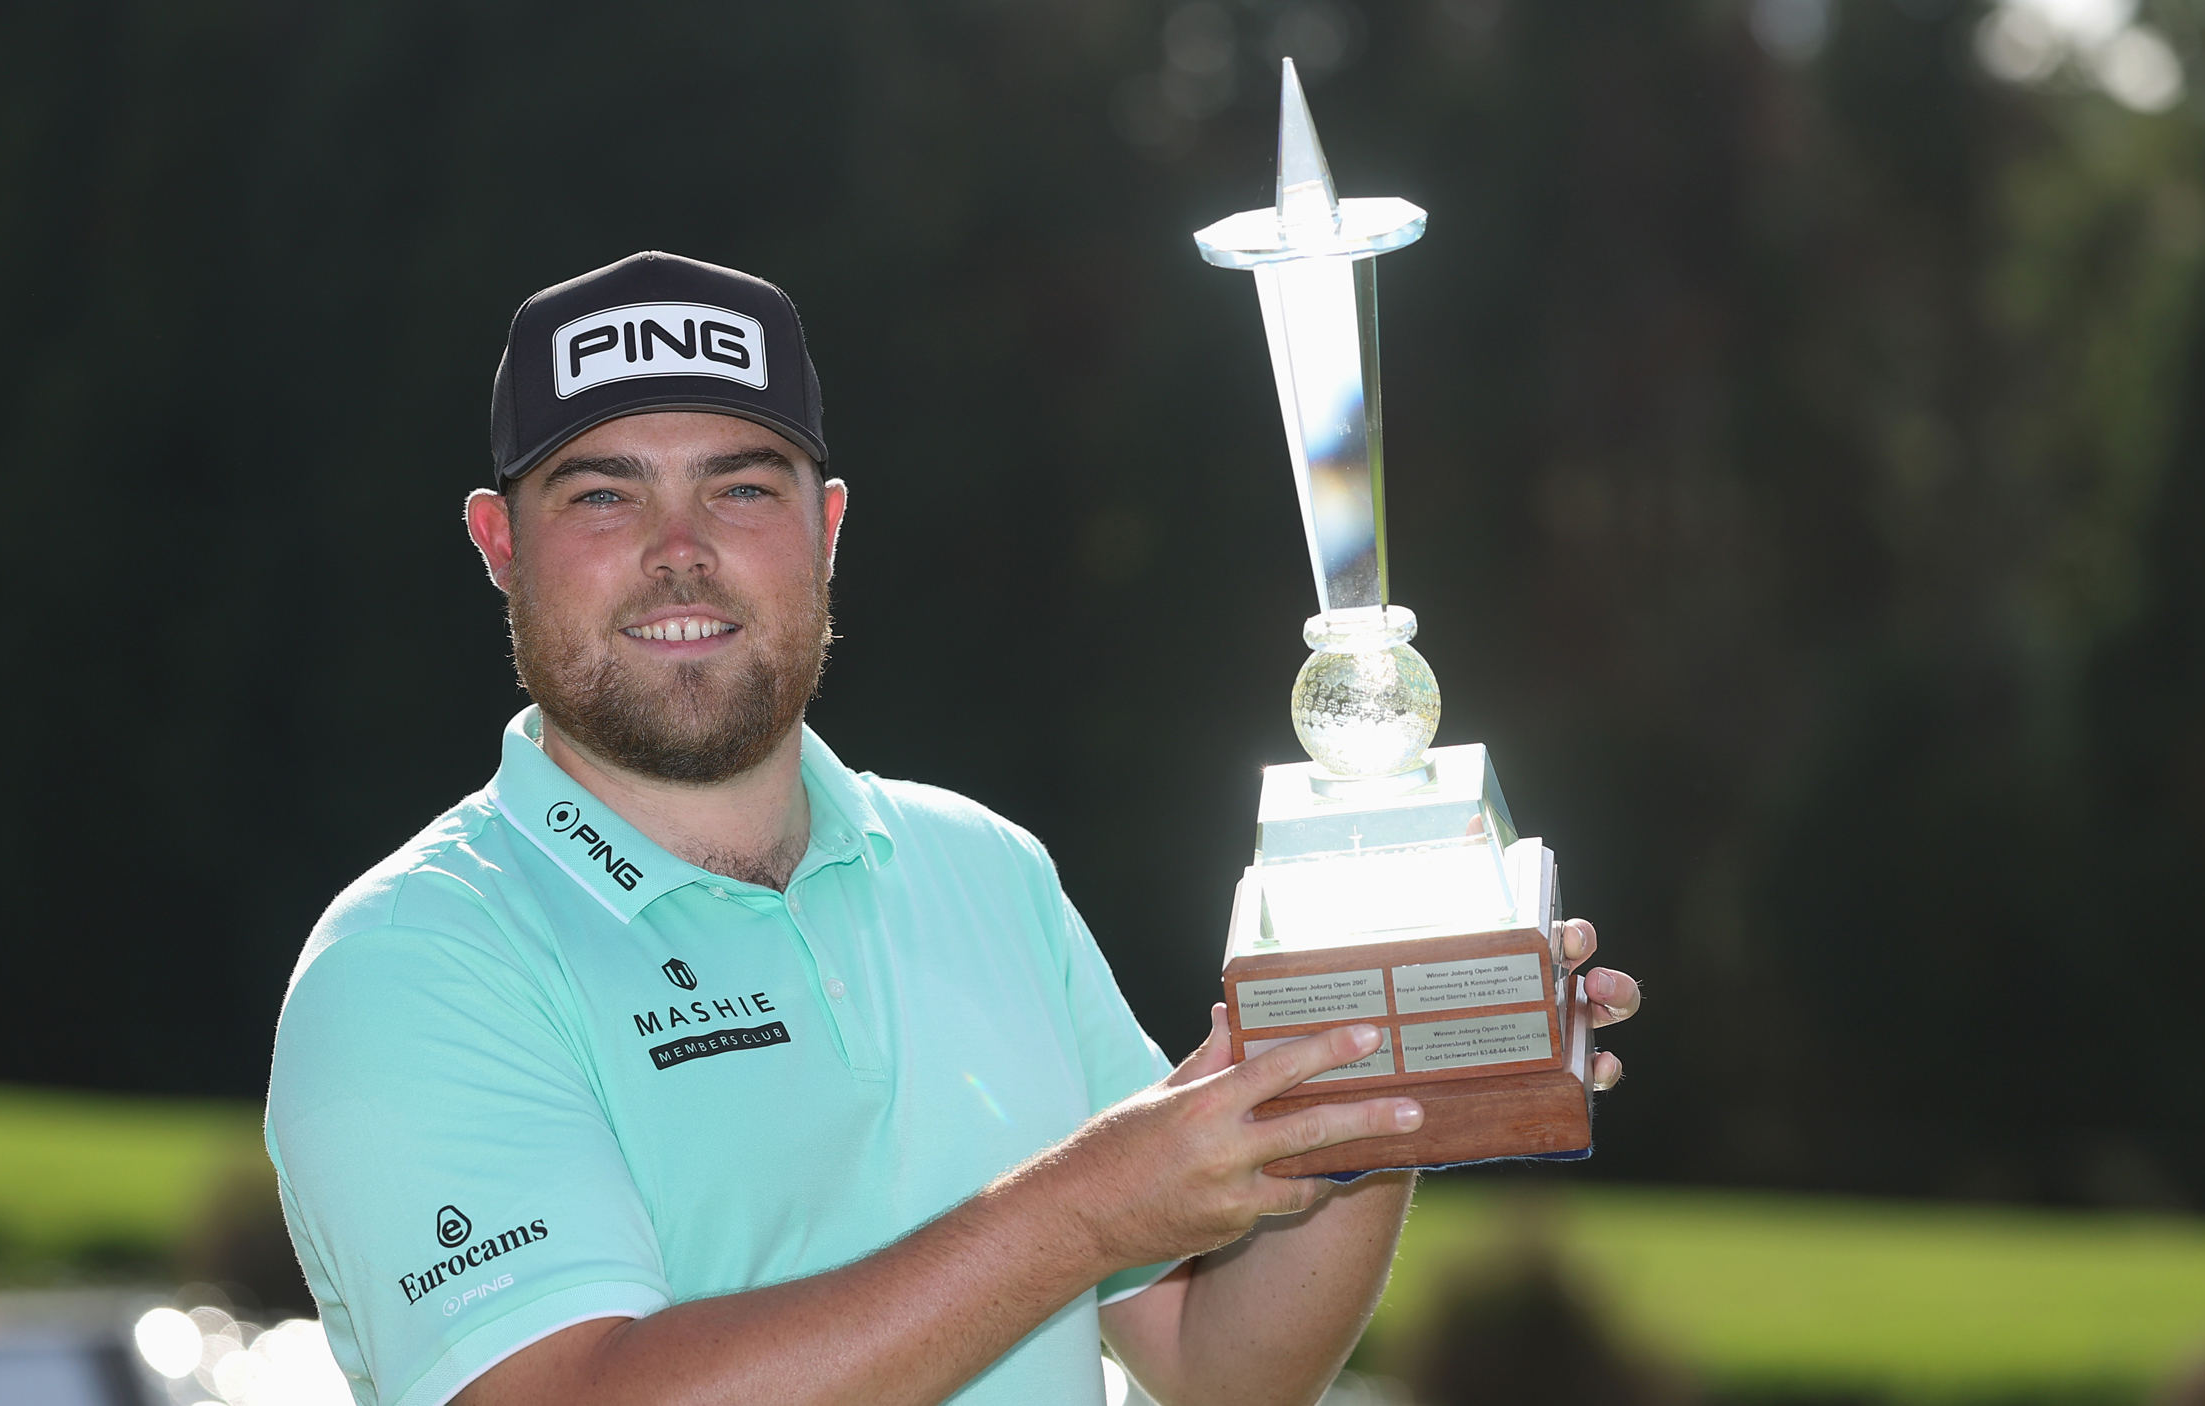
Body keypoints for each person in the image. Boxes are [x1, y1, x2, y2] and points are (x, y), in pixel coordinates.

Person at [266, 250, 1642, 1406]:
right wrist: (1089, 1205)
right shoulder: (412, 961)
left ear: (828, 525)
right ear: (499, 542)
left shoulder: (984, 870)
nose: (679, 546)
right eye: (605, 493)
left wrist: (1368, 1075)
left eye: (742, 487)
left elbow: (1220, 1360)